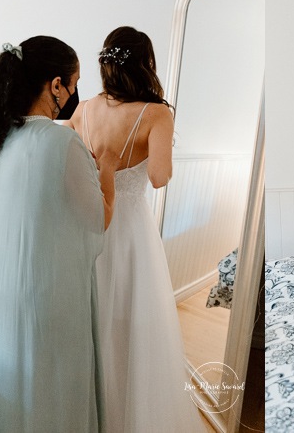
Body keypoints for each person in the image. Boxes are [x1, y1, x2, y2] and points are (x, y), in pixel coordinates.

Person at [0, 36, 117, 432]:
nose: (74, 95)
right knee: (49, 393)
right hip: (41, 302)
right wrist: (108, 172)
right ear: (56, 84)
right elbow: (97, 220)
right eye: (74, 82)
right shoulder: (59, 140)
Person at [68, 26, 205, 432]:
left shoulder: (86, 109)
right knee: (132, 323)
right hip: (131, 232)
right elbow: (160, 177)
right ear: (147, 64)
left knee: (93, 319)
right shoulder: (157, 113)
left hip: (91, 222)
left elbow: (74, 158)